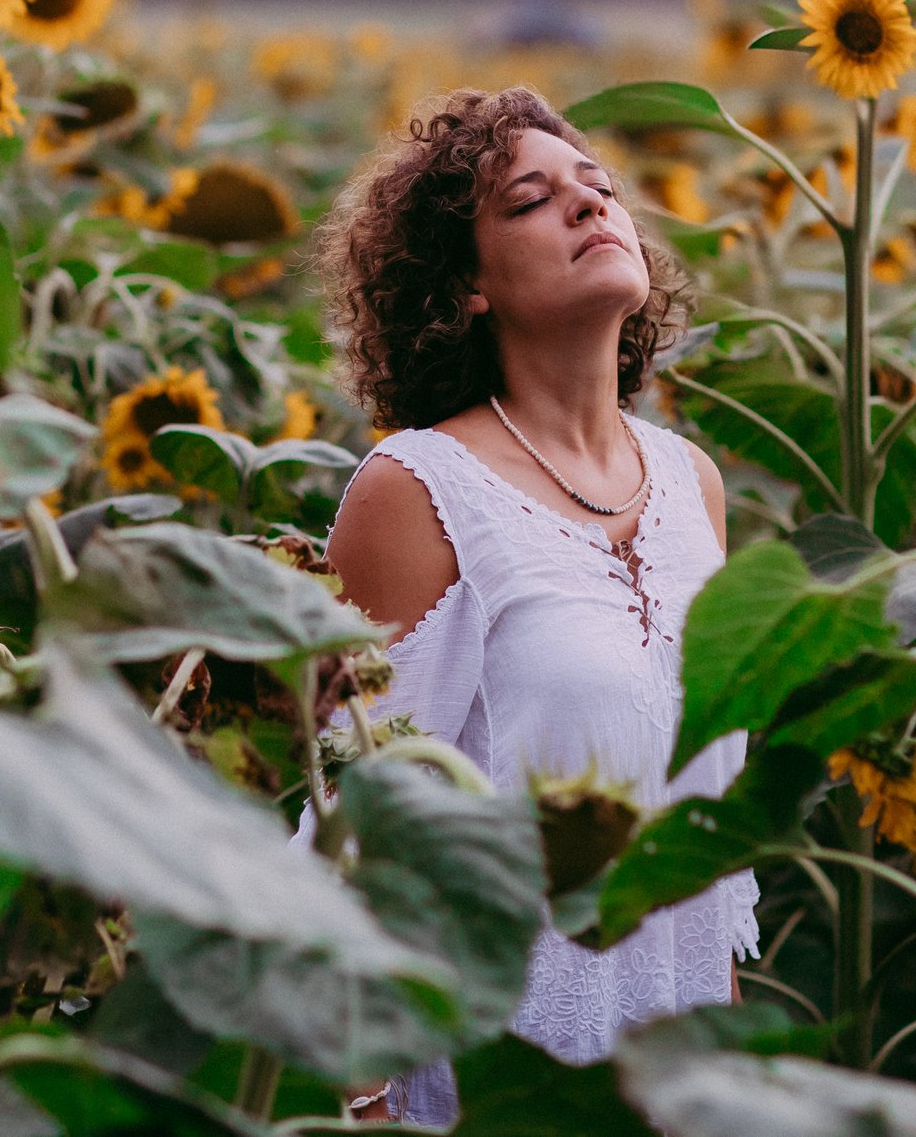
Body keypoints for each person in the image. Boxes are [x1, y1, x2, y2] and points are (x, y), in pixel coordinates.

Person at [314, 86, 758, 1124]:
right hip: (494, 1090)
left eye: (599, 187)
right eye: (529, 199)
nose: (590, 203)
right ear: (466, 285)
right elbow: (351, 840)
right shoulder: (418, 490)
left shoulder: (689, 480)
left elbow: (702, 859)